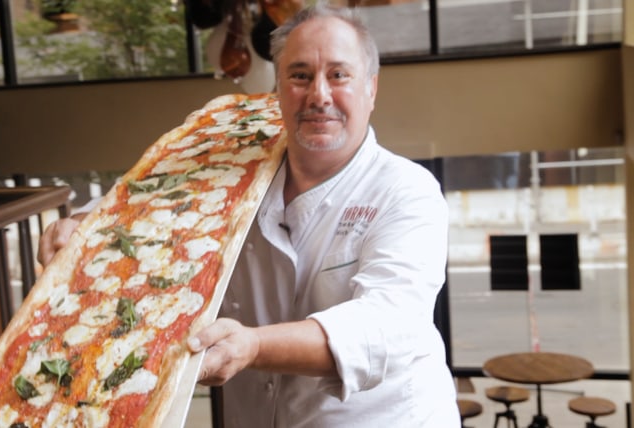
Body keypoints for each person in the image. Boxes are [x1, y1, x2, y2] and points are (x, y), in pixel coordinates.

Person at [38, 5, 458, 427]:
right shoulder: (231, 170)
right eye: (299, 75)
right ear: (277, 89)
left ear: (371, 88)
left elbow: (385, 325)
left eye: (338, 75)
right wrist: (79, 226)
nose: (318, 96)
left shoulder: (407, 191)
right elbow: (142, 203)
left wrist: (253, 346)